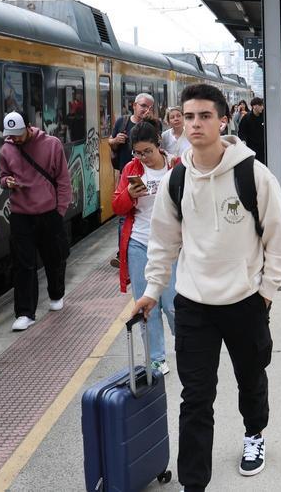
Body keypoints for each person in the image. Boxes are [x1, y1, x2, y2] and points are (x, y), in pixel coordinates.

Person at [131, 83, 281, 489]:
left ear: (223, 121)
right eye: (189, 116)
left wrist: (266, 293)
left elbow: (280, 243)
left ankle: (254, 434)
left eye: (204, 116)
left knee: (251, 378)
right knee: (195, 398)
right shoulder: (177, 180)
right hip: (193, 304)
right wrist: (152, 290)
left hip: (245, 301)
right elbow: (163, 242)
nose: (195, 124)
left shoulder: (253, 175)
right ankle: (194, 483)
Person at [112, 121, 179, 374]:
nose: (143, 157)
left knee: (174, 303)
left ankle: (187, 347)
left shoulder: (176, 166)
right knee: (146, 306)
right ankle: (156, 358)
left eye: (147, 151)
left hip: (171, 245)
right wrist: (129, 194)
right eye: (138, 153)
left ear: (158, 144)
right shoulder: (132, 169)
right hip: (139, 244)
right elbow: (117, 207)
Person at [0, 111, 72, 331]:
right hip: (21, 214)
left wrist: (59, 211)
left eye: (18, 133)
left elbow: (63, 180)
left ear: (29, 127)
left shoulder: (52, 144)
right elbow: (2, 176)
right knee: (23, 264)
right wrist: (7, 181)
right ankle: (25, 313)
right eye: (11, 134)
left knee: (54, 258)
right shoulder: (6, 149)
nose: (14, 138)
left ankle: (56, 294)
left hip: (49, 212)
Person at [108, 93, 156, 268]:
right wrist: (115, 140)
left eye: (149, 107)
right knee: (123, 215)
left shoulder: (152, 125)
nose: (146, 109)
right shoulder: (123, 122)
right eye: (143, 105)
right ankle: (123, 253)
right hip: (127, 174)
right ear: (134, 105)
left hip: (148, 174)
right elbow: (111, 142)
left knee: (144, 209)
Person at [238, 97, 267, 164]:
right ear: (254, 106)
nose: (262, 107)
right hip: (251, 148)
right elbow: (241, 131)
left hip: (263, 148)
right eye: (260, 105)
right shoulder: (246, 117)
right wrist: (243, 140)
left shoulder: (265, 117)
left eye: (262, 105)